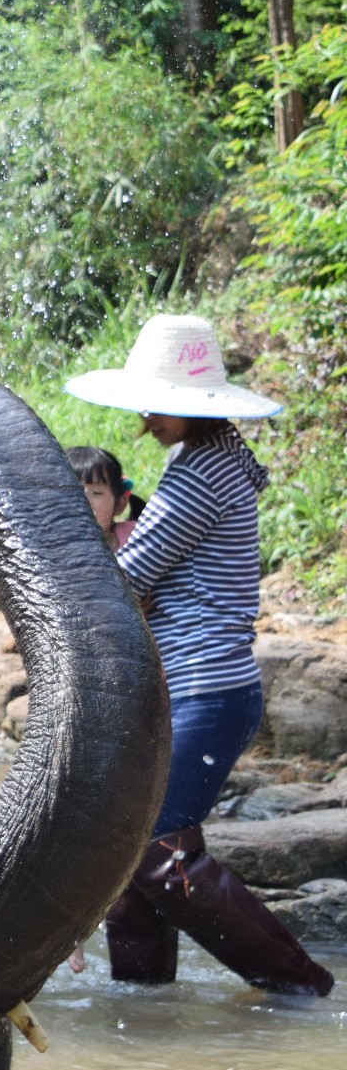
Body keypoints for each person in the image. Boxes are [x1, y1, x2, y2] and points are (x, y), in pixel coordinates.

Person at [65, 314, 334, 996]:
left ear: (193, 405)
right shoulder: (210, 457)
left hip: (206, 690)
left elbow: (125, 581)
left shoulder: (199, 476)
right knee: (136, 855)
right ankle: (143, 1008)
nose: (145, 418)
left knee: (157, 850)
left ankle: (300, 987)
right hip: (191, 688)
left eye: (156, 403)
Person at [64, 445, 143, 551]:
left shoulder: (136, 538)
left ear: (120, 504)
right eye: (71, 490)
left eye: (96, 492)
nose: (82, 500)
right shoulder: (45, 545)